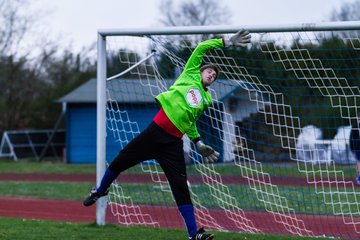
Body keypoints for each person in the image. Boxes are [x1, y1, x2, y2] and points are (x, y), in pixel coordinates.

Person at [83, 29, 251, 240]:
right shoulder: (189, 74)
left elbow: (189, 122)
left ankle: (193, 235)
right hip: (154, 133)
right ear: (199, 72)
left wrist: (198, 143)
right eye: (209, 71)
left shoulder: (206, 100)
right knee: (120, 161)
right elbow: (201, 47)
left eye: (215, 75)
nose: (212, 75)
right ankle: (100, 190)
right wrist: (227, 41)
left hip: (172, 144)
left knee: (180, 187)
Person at [349, 111, 360, 184]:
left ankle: (359, 177)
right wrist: (352, 148)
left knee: (358, 162)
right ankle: (359, 177)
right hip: (357, 147)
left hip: (357, 147)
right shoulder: (355, 127)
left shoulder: (355, 126)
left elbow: (351, 139)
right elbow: (351, 138)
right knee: (358, 162)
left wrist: (352, 148)